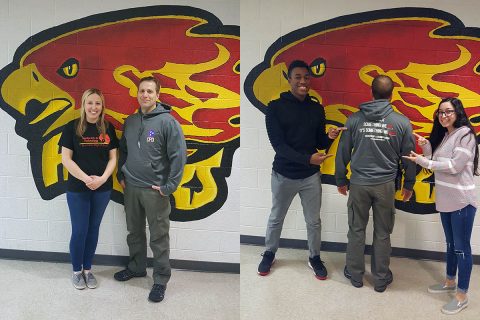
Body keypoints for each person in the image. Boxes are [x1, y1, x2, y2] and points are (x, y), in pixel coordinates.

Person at [257, 60, 344, 280]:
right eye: (298, 77)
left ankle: (314, 257)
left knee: (313, 221)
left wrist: (330, 138)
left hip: (310, 177)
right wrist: (308, 159)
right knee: (276, 217)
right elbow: (279, 146)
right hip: (283, 174)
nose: (303, 81)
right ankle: (269, 253)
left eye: (306, 77)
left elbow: (319, 142)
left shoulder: (316, 108)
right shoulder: (275, 107)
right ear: (289, 80)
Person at [335, 75, 415, 292]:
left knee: (356, 230)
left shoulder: (354, 120)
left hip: (359, 185)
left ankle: (355, 275)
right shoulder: (402, 122)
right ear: (391, 95)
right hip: (385, 187)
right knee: (382, 233)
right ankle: (380, 279)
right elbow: (408, 156)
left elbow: (342, 153)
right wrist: (409, 184)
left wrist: (340, 179)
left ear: (371, 93)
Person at [114, 76, 187, 303]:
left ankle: (160, 280)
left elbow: (179, 156)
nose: (145, 95)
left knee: (158, 237)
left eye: (150, 91)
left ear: (158, 95)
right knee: (134, 232)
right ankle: (136, 268)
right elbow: (123, 150)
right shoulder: (131, 121)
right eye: (142, 91)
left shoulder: (168, 122)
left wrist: (169, 186)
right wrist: (121, 174)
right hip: (132, 188)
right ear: (137, 94)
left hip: (155, 191)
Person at [403, 97, 478, 315]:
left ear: (458, 112)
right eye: (440, 112)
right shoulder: (447, 136)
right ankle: (449, 281)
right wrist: (427, 149)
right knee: (450, 244)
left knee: (462, 249)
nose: (443, 116)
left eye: (448, 111)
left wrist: (424, 161)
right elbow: (437, 165)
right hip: (446, 201)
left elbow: (454, 167)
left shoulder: (465, 134)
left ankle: (462, 295)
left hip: (462, 202)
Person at [59, 88, 119, 290]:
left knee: (93, 230)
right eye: (90, 103)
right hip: (78, 188)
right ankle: (77, 271)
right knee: (79, 230)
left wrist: (101, 179)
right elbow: (66, 159)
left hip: (102, 188)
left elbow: (113, 158)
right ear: (83, 105)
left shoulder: (107, 128)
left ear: (102, 106)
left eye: (98, 103)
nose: (94, 107)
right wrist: (86, 179)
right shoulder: (71, 128)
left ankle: (88, 270)